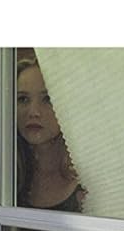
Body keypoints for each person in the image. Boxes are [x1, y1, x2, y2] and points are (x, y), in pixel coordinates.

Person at [16, 48, 86, 213]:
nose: (33, 112)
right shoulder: (4, 178)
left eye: (48, 99)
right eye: (23, 99)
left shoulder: (89, 182)